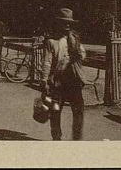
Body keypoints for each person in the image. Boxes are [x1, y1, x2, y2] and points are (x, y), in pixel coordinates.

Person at [41, 8, 87, 141]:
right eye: (63, 23)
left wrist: (76, 50)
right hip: (58, 81)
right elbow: (47, 62)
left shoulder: (75, 39)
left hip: (74, 81)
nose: (67, 25)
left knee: (78, 111)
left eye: (69, 23)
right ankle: (56, 138)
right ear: (58, 24)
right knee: (55, 111)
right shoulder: (52, 42)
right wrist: (44, 80)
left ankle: (77, 138)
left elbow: (83, 55)